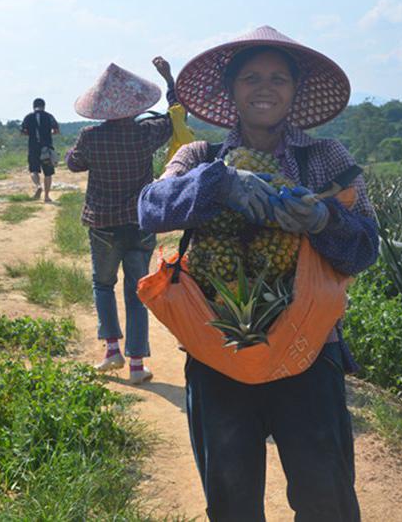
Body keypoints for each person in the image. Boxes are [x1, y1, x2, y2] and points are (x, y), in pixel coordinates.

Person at [138, 26, 379, 521]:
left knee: (326, 500)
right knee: (232, 504)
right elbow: (150, 207)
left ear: (294, 91)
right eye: (250, 78)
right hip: (220, 351)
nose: (264, 87)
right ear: (231, 92)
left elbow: (365, 247)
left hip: (311, 351)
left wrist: (324, 220)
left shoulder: (326, 158)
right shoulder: (200, 157)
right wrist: (219, 184)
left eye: (277, 78)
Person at [66, 61, 180, 384]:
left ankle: (112, 350)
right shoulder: (146, 132)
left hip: (102, 224)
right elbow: (175, 118)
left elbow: (74, 164)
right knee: (136, 293)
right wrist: (170, 80)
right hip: (140, 224)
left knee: (103, 285)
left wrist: (70, 153)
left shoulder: (90, 137)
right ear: (135, 105)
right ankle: (136, 366)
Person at [20, 97, 60, 201]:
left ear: (33, 106)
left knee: (33, 170)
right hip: (46, 148)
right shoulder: (49, 116)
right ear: (44, 106)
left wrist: (31, 134)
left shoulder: (28, 117)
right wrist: (48, 133)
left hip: (33, 147)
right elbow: (56, 130)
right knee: (48, 172)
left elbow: (23, 132)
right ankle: (46, 196)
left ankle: (38, 186)